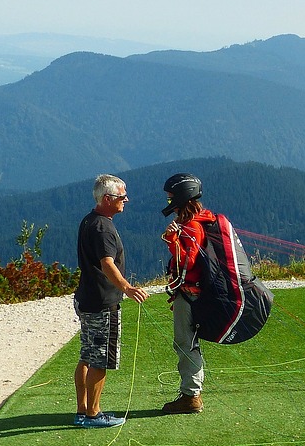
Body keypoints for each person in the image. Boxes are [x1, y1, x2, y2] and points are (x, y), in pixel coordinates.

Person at [74, 174, 148, 427]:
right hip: (102, 303)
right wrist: (127, 288)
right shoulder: (103, 227)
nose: (126, 199)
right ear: (107, 199)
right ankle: (93, 414)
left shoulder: (90, 220)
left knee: (86, 355)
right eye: (121, 196)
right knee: (100, 359)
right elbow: (107, 263)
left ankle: (82, 410)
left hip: (86, 298)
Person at [160, 172, 213, 414]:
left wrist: (172, 240)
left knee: (185, 342)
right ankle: (191, 392)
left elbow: (186, 263)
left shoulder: (191, 226)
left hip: (189, 294)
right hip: (196, 293)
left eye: (171, 196)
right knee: (189, 343)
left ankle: (191, 396)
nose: (169, 201)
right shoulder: (198, 221)